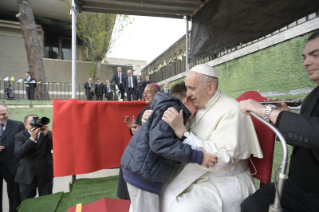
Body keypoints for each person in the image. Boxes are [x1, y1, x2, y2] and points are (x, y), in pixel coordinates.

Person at [160, 64, 263, 212]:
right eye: (187, 88)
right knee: (154, 190)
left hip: (224, 180)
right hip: (196, 172)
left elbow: (225, 162)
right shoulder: (198, 106)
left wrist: (184, 133)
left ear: (210, 88)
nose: (187, 94)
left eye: (192, 88)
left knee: (182, 209)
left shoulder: (232, 110)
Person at [238, 31, 319, 212]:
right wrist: (284, 117)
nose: (306, 63)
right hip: (298, 188)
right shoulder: (313, 96)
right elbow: (305, 137)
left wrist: (267, 111)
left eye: (316, 55)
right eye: (304, 57)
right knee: (253, 205)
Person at [121, 82, 218, 212]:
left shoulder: (165, 107)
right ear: (187, 99)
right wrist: (198, 156)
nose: (198, 108)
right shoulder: (173, 111)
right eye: (195, 102)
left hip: (140, 170)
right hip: (143, 176)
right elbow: (159, 143)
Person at [118, 83, 161, 200]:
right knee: (126, 159)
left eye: (148, 92)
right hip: (143, 148)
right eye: (144, 92)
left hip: (154, 151)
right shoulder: (144, 111)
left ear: (157, 93)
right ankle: (129, 197)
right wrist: (133, 127)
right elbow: (138, 132)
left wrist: (140, 132)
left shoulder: (162, 110)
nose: (145, 95)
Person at [14, 114, 53, 202]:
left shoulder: (47, 133)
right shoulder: (20, 136)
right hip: (26, 174)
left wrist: (46, 135)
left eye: (37, 122)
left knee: (47, 202)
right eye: (32, 123)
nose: (35, 125)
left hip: (45, 174)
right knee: (26, 202)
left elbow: (56, 148)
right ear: (25, 125)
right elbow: (18, 153)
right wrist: (31, 139)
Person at [0, 104, 25, 212]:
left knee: (14, 193)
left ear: (8, 113)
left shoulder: (18, 125)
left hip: (13, 166)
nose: (1, 117)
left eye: (4, 114)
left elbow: (24, 143)